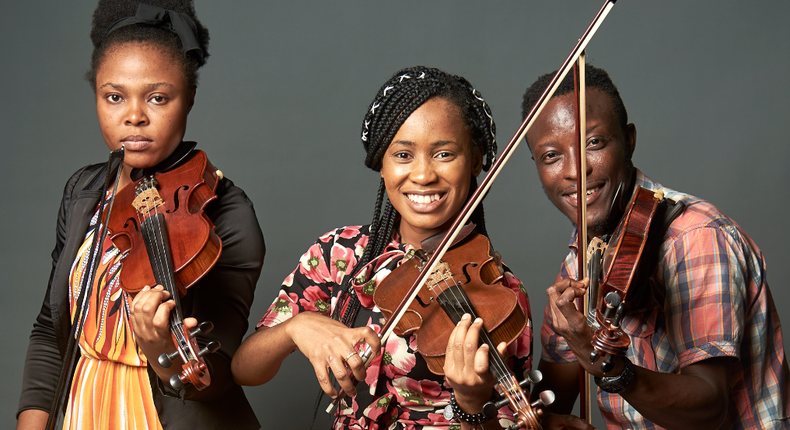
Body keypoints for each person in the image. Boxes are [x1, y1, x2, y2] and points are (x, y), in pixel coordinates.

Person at [232, 66, 545, 430]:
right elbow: (244, 369)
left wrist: (471, 403)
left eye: (444, 154)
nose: (424, 174)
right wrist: (296, 328)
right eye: (403, 155)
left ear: (475, 161)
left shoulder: (502, 296)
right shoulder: (339, 254)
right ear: (381, 163)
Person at [16, 1, 265, 429]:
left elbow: (221, 373)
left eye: (157, 98)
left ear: (188, 99)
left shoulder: (224, 209)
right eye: (114, 96)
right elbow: (50, 329)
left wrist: (157, 346)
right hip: (85, 407)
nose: (134, 116)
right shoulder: (83, 191)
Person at [521, 64, 790, 429]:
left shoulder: (695, 238)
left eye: (594, 143)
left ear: (628, 140)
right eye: (551, 155)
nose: (574, 170)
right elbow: (551, 398)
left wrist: (606, 362)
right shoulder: (580, 264)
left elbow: (708, 407)